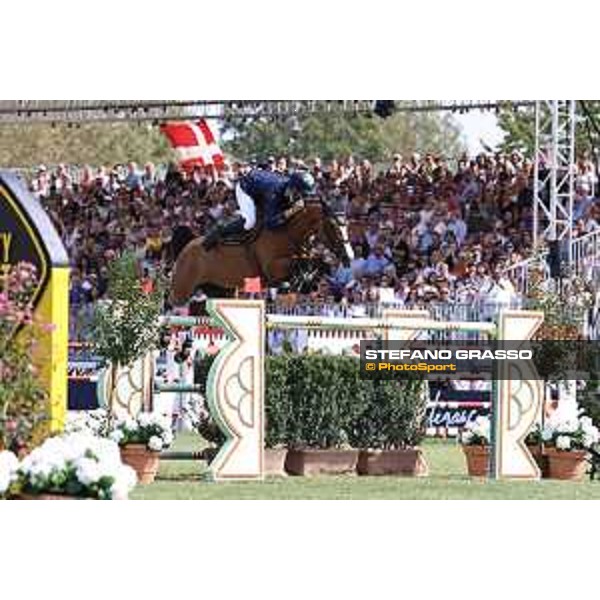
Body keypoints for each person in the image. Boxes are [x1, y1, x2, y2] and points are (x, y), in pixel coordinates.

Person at [202, 169, 317, 250]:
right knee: (250, 222)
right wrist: (292, 210)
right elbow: (270, 223)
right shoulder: (274, 193)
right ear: (294, 188)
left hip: (260, 187)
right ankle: (218, 231)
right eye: (301, 193)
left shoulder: (289, 189)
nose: (302, 197)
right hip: (246, 188)